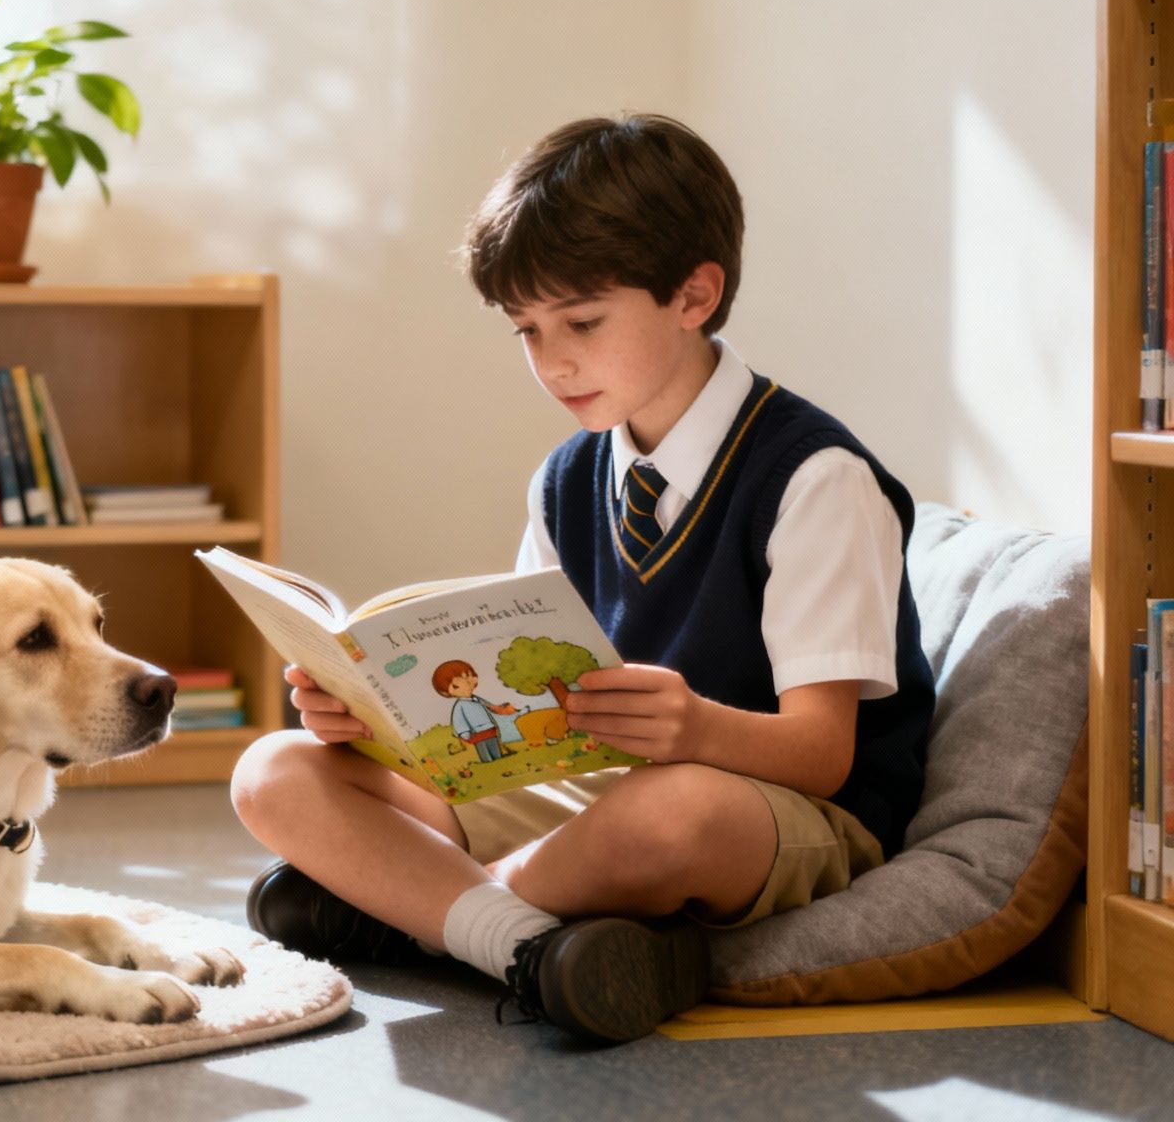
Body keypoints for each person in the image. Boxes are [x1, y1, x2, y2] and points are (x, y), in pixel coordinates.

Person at [230, 112, 935, 1044]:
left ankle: (426, 914)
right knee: (272, 769)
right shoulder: (567, 478)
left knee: (668, 815)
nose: (551, 359)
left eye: (584, 321)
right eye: (526, 328)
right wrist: (378, 726)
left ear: (694, 294)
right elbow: (534, 714)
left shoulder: (813, 479)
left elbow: (825, 754)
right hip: (598, 786)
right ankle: (517, 940)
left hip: (776, 809)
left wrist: (695, 726)